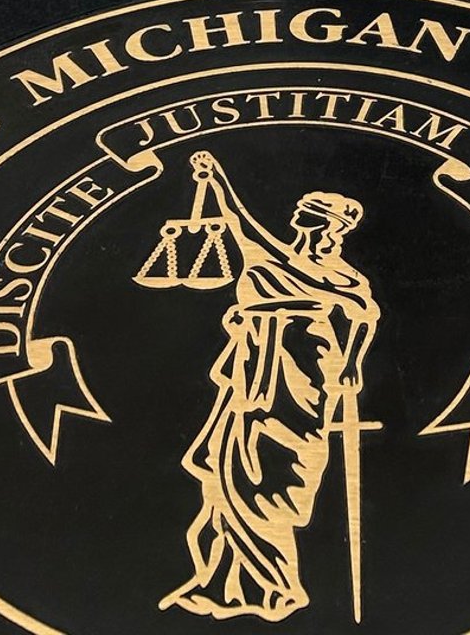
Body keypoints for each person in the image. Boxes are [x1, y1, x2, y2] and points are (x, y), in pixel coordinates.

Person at [161, 152, 378, 621]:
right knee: (227, 476)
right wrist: (216, 179)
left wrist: (352, 364)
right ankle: (225, 585)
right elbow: (238, 222)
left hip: (301, 375)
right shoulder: (274, 257)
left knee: (273, 477)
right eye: (300, 215)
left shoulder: (342, 277)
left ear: (330, 228)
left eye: (307, 217)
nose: (297, 221)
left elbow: (366, 314)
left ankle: (278, 588)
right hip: (250, 376)